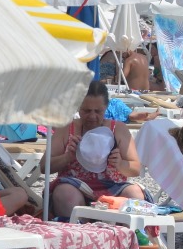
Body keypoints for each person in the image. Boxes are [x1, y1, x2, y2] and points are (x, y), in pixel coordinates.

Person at [49, 80, 146, 217]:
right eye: (87, 111)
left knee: (135, 194)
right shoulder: (67, 128)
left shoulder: (117, 129)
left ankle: (128, 234)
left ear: (106, 107)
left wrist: (120, 164)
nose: (92, 116)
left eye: (98, 111)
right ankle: (78, 231)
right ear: (78, 107)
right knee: (66, 194)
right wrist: (66, 157)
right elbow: (44, 166)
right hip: (75, 186)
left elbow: (136, 168)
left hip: (112, 186)